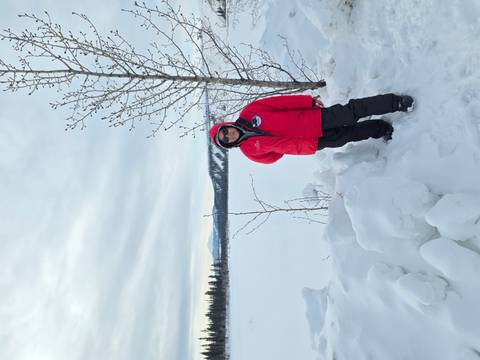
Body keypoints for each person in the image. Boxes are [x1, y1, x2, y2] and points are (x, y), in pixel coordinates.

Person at [209, 93, 414, 164]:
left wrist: (307, 102)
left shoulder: (249, 112)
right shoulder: (250, 151)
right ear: (230, 144)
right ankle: (381, 128)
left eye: (224, 131)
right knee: (347, 135)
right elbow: (273, 158)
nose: (228, 134)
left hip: (312, 119)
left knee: (352, 111)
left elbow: (280, 103)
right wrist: (291, 145)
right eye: (225, 139)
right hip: (310, 144)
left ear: (225, 125)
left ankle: (395, 102)